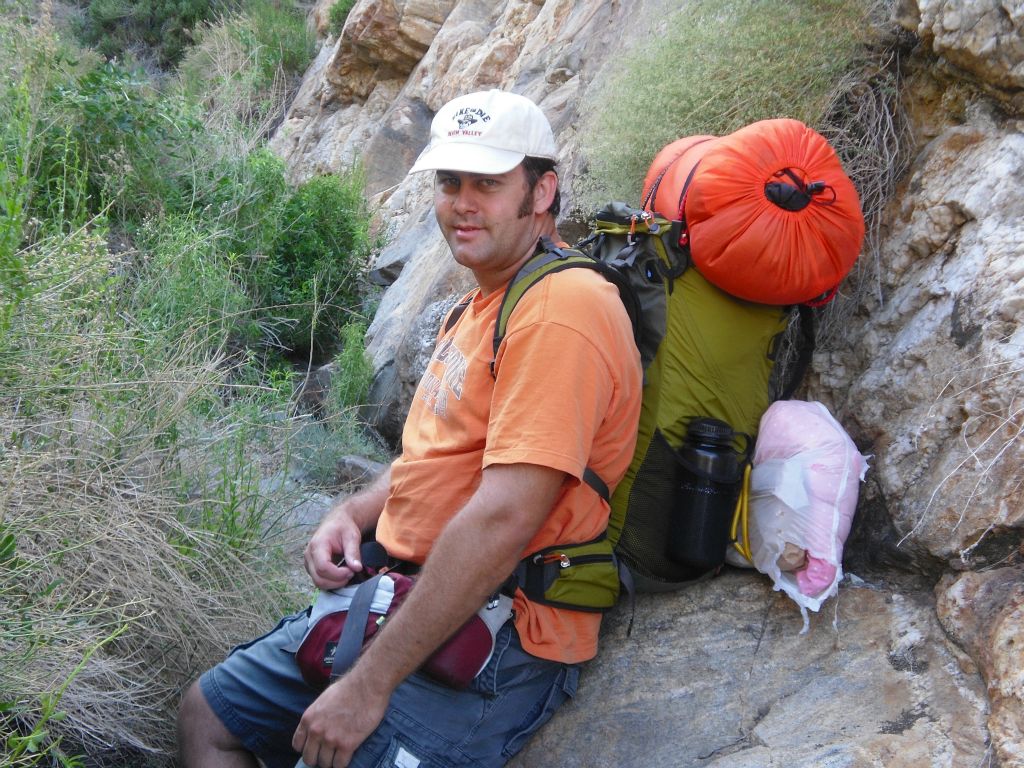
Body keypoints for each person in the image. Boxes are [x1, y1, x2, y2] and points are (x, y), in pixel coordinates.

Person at [177, 89, 642, 768]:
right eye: (450, 182)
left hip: (496, 630)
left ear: (542, 192)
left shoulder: (562, 310)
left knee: (334, 743)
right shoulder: (481, 303)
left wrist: (367, 685)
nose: (462, 202)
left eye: (487, 183)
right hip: (404, 593)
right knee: (210, 716)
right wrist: (355, 511)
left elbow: (505, 517)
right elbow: (438, 451)